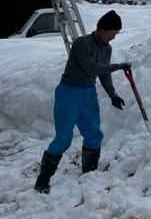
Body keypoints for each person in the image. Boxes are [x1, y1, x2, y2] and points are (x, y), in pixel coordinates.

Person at [34, 10, 132, 194]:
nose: (113, 38)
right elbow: (91, 67)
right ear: (101, 29)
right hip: (68, 93)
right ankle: (43, 180)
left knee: (94, 134)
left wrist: (113, 94)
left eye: (116, 34)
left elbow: (103, 73)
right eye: (112, 33)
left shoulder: (106, 48)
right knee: (64, 138)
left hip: (88, 93)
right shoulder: (82, 43)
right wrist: (119, 66)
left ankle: (89, 175)